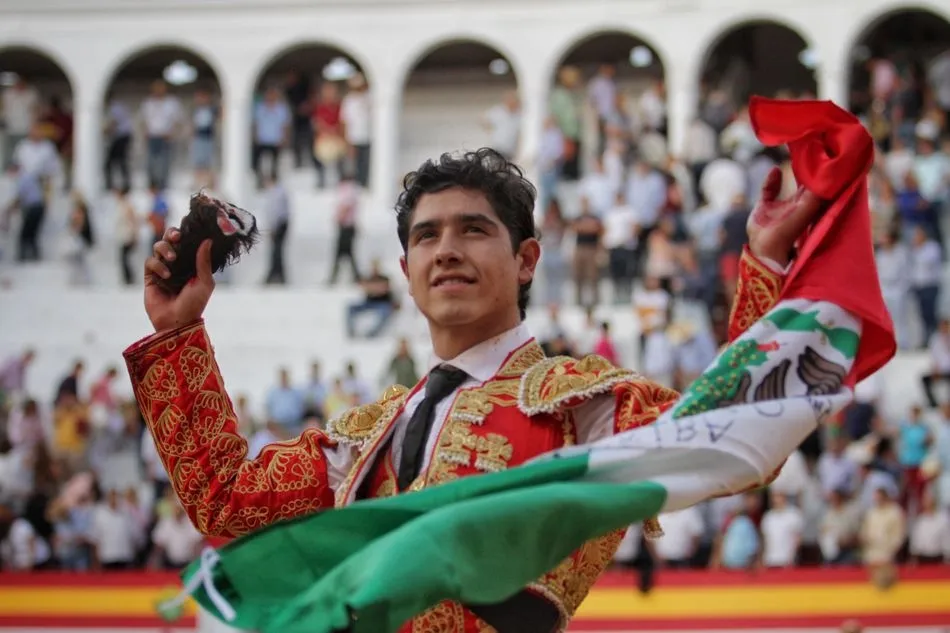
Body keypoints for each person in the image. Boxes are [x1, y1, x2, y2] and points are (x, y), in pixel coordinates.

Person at [124, 148, 821, 632]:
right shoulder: (366, 436)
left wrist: (762, 263)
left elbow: (737, 428)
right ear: (406, 268)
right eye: (427, 236)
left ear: (525, 260)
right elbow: (225, 501)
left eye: (472, 230)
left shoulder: (583, 403)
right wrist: (179, 332)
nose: (446, 249)